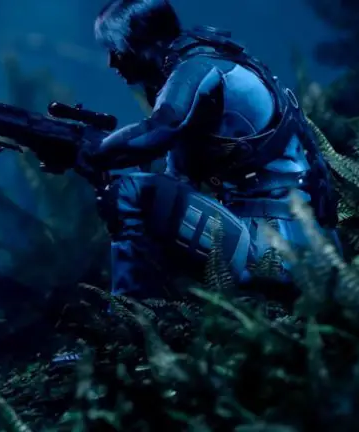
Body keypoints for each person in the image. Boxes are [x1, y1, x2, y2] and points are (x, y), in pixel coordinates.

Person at [77, 0, 340, 298]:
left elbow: (159, 130)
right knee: (142, 196)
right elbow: (177, 180)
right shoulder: (207, 72)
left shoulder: (198, 70)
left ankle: (128, 313)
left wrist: (94, 149)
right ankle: (157, 309)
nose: (112, 62)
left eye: (116, 48)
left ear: (146, 41)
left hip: (285, 245)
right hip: (274, 235)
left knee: (132, 192)